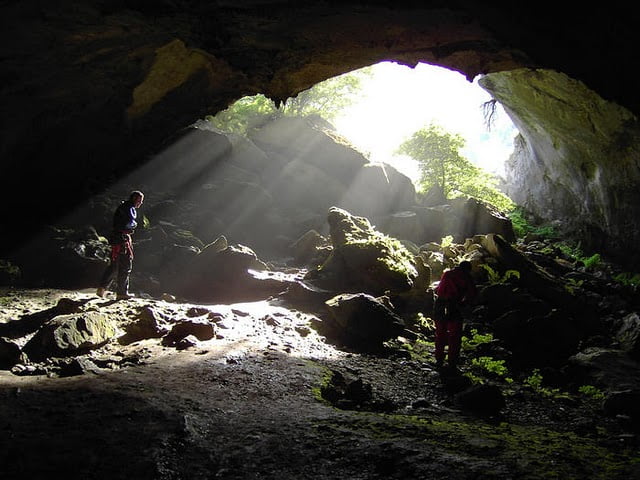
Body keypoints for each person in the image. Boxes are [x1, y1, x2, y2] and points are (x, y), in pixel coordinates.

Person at [96, 190, 144, 300]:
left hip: (116, 238)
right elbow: (129, 223)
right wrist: (134, 225)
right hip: (122, 239)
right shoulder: (129, 208)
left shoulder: (123, 207)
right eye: (139, 201)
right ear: (134, 199)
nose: (140, 203)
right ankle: (122, 293)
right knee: (125, 265)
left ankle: (101, 288)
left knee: (113, 265)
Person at [433, 260, 477, 369]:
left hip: (440, 304)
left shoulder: (447, 274)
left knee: (440, 332)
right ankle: (452, 361)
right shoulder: (467, 277)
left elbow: (438, 289)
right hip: (454, 305)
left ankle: (439, 358)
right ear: (468, 269)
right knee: (455, 335)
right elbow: (472, 294)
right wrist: (464, 304)